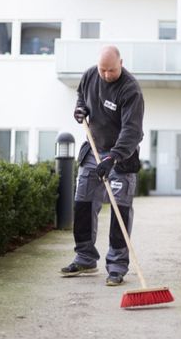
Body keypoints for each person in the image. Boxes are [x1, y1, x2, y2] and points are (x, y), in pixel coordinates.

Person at [60, 45, 144, 286]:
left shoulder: (130, 90)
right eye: (102, 70)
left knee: (120, 211)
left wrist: (113, 158)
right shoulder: (89, 75)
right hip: (93, 149)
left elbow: (132, 131)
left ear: (122, 63)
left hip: (121, 154)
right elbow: (81, 97)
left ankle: (117, 266)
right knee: (83, 203)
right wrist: (80, 109)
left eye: (112, 70)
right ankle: (85, 257)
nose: (106, 75)